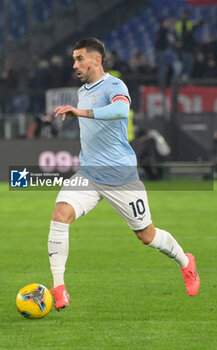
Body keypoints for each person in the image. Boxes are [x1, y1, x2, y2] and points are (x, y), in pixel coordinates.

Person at [48, 38, 200, 310]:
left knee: (147, 235)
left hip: (121, 176)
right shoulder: (83, 90)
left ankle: (186, 263)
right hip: (89, 173)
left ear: (97, 59)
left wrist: (81, 112)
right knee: (60, 214)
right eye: (73, 59)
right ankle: (59, 289)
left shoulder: (115, 86)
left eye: (79, 58)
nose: (75, 65)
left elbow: (120, 110)